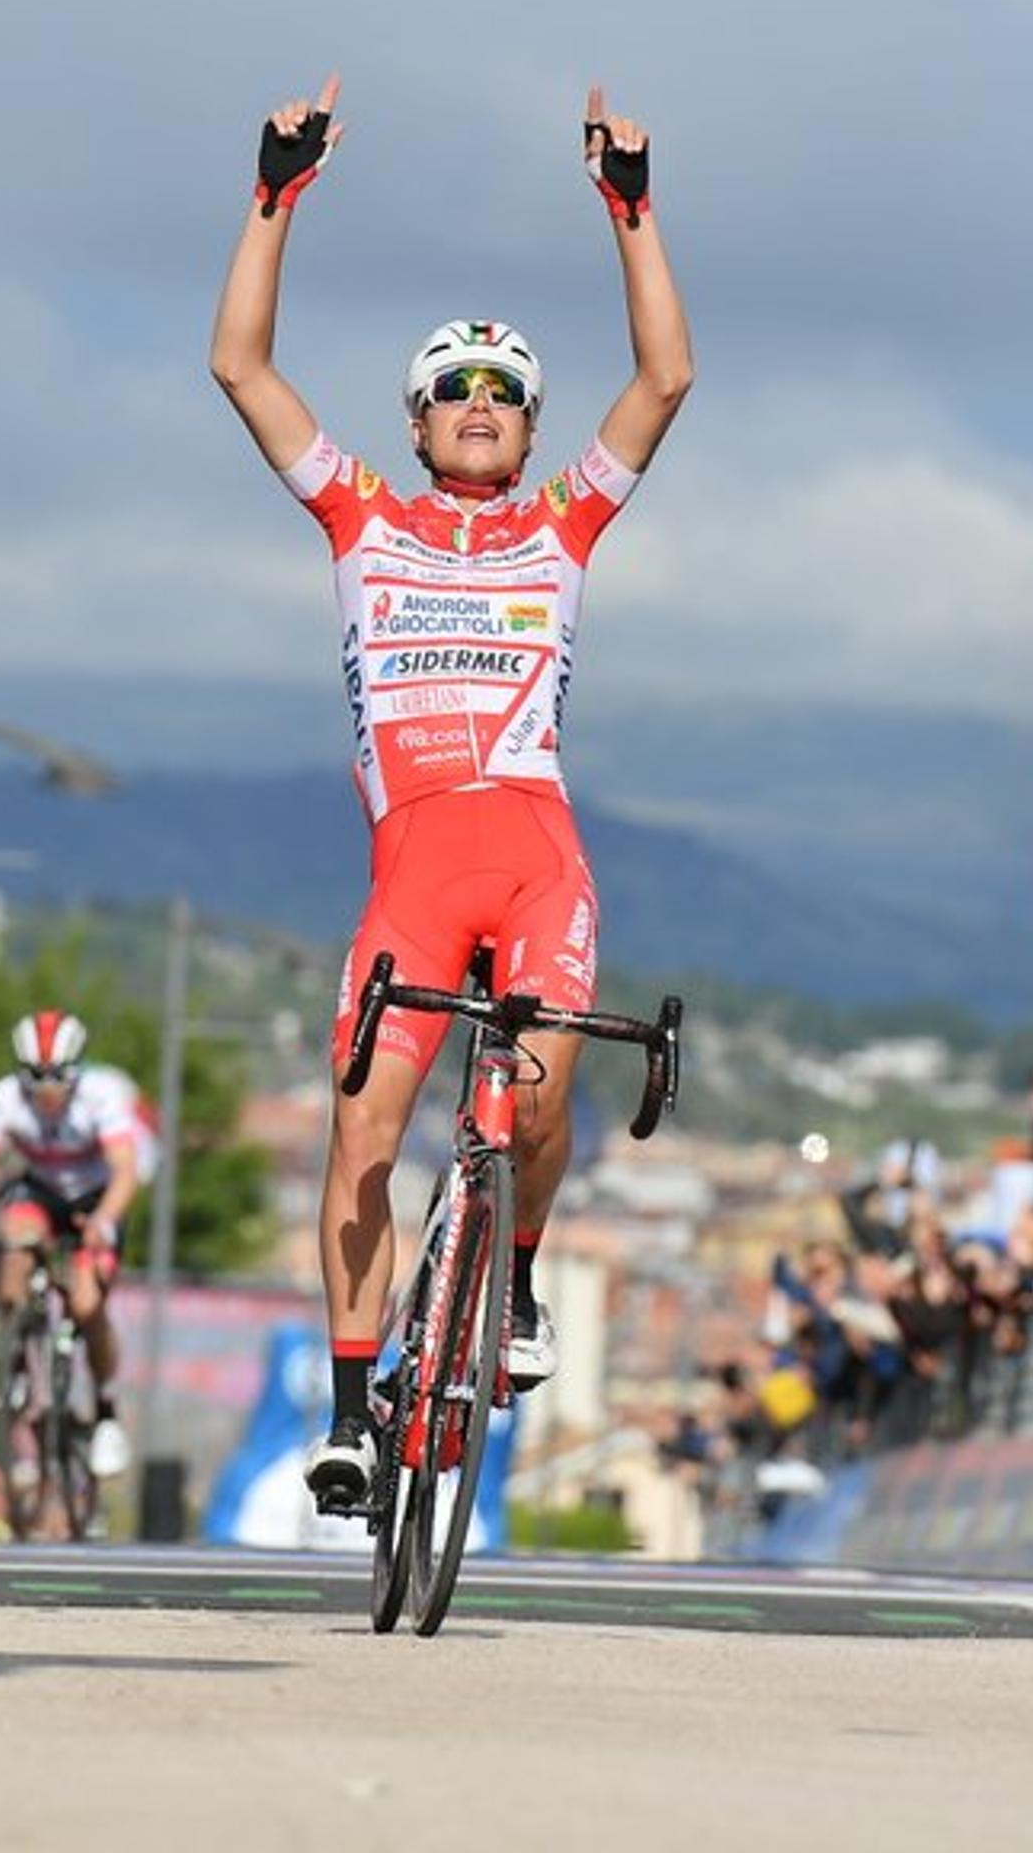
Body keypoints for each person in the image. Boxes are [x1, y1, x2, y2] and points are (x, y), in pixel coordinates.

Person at [209, 73, 693, 1514]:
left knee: (542, 1106)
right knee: (363, 1128)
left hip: (538, 858)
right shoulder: (359, 512)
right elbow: (241, 367)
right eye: (452, 390)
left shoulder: (562, 525)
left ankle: (520, 1283)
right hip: (413, 870)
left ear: (530, 431)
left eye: (505, 394)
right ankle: (358, 1406)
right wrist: (272, 199)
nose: (479, 406)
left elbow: (664, 381)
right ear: (418, 423)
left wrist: (634, 214)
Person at [0, 1009, 146, 1479]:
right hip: (41, 1191)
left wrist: (104, 1221)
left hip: (96, 1198)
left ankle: (105, 1409)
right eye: (35, 1077)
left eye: (57, 1076)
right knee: (15, 1239)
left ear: (77, 1070)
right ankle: (20, 1351)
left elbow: (126, 1170)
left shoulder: (102, 1097)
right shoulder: (4, 1099)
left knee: (86, 1303)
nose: (46, 1089)